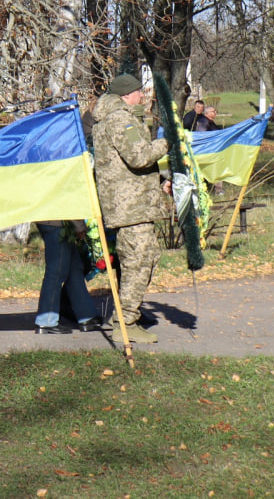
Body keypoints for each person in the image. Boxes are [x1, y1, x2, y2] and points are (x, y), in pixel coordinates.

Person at [92, 73, 170, 344]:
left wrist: (159, 182)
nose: (143, 96)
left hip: (131, 204)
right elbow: (138, 156)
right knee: (139, 262)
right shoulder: (119, 119)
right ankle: (125, 322)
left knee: (141, 259)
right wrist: (167, 143)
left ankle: (127, 315)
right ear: (127, 95)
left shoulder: (116, 117)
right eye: (139, 91)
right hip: (130, 207)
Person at [32, 218, 102, 334]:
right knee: (56, 272)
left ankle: (86, 316)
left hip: (53, 222)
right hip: (58, 223)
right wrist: (79, 226)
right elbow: (68, 207)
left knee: (74, 269)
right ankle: (46, 321)